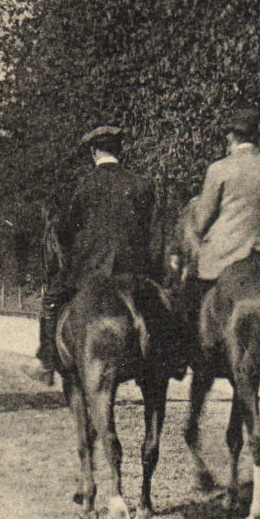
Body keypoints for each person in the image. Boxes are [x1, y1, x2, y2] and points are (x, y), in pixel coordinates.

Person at [31, 125, 160, 386]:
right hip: (133, 271)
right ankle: (170, 362)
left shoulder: (84, 185)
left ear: (93, 152)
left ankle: (47, 361)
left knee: (52, 300)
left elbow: (67, 229)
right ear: (120, 150)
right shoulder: (142, 185)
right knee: (162, 308)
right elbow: (152, 230)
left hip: (89, 270)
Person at [183, 107, 260, 308]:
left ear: (231, 137)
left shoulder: (219, 169)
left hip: (225, 255)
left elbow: (203, 220)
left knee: (193, 300)